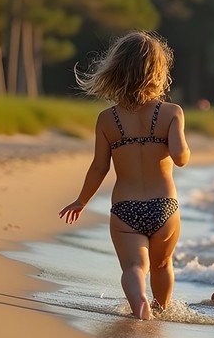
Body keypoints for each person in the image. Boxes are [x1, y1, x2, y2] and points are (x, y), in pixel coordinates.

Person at [59, 30, 191, 320]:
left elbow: (99, 167)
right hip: (164, 207)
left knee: (134, 267)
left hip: (124, 208)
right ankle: (160, 310)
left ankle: (139, 302)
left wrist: (81, 200)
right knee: (162, 265)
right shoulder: (172, 113)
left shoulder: (107, 119)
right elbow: (181, 159)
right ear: (159, 72)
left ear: (116, 70)